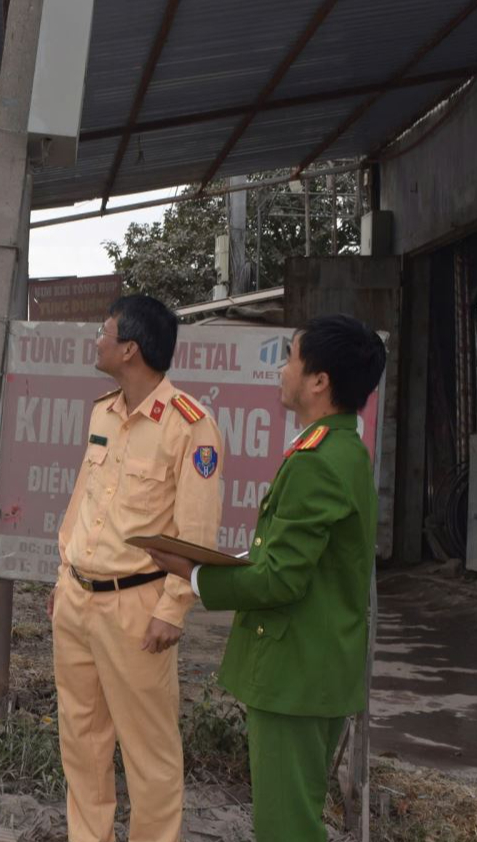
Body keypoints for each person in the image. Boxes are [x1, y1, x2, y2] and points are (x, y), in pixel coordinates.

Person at [147, 315, 387, 842]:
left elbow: (280, 579)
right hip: (314, 666)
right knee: (295, 820)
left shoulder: (318, 460)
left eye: (291, 359)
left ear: (319, 380)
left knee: (287, 829)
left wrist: (195, 575)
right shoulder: (341, 450)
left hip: (295, 672)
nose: (282, 371)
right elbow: (294, 557)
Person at [50, 294, 224, 842]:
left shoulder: (190, 427)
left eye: (104, 333)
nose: (96, 341)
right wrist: (64, 575)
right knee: (81, 741)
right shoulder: (103, 411)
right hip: (78, 600)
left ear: (129, 349)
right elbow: (84, 501)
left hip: (137, 607)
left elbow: (196, 534)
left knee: (150, 754)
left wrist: (173, 609)